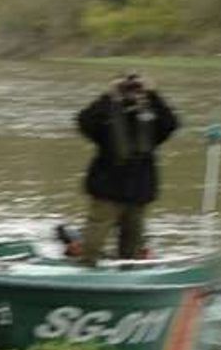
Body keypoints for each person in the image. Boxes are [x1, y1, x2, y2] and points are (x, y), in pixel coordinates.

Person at [76, 72, 179, 265]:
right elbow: (83, 122)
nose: (132, 92)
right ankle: (85, 269)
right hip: (107, 188)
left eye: (135, 88)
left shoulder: (151, 117)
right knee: (93, 240)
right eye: (128, 88)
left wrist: (154, 94)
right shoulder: (107, 113)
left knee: (132, 243)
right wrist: (109, 95)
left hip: (138, 190)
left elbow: (172, 124)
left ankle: (129, 274)